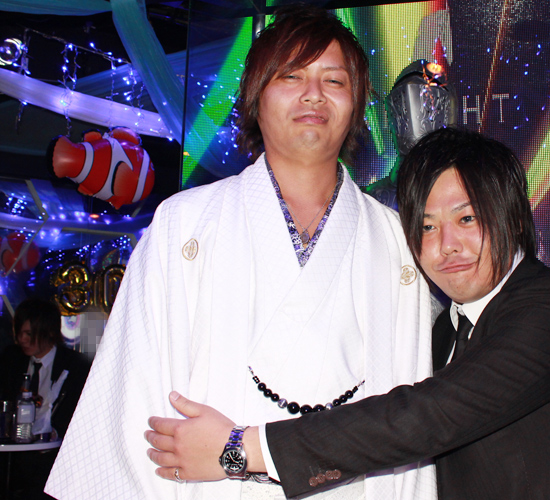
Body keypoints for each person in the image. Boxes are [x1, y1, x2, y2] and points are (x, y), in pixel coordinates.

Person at [46, 6, 436, 500]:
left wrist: (235, 450)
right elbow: (135, 400)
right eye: (291, 76)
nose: (313, 93)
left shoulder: (397, 243)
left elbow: (408, 419)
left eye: (334, 80)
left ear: (357, 105)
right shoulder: (183, 225)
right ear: (255, 97)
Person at [145, 127, 550, 499]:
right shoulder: (441, 333)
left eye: (466, 218)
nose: (446, 245)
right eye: (426, 227)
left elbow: (427, 415)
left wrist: (240, 448)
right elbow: (385, 437)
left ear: (510, 217)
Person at [0, 298, 90, 500]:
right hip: (15, 458)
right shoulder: (12, 360)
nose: (22, 339)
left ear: (49, 332)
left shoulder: (76, 366)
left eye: (29, 334)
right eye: (19, 333)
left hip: (55, 460)